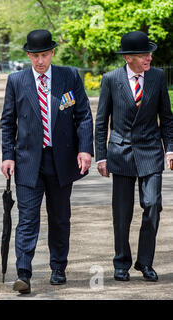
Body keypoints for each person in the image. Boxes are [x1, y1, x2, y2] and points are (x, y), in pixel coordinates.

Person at [0, 29, 93, 294]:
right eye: (35, 55)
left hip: (61, 159)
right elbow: (8, 122)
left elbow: (84, 115)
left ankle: (58, 267)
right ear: (28, 55)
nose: (40, 61)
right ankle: (24, 273)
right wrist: (7, 155)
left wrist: (85, 149)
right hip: (29, 160)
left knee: (60, 217)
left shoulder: (69, 76)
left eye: (44, 55)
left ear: (52, 53)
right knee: (27, 218)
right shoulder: (17, 80)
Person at [95, 31, 173, 282]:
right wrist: (101, 156)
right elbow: (101, 121)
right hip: (121, 152)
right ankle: (121, 262)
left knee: (152, 206)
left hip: (151, 151)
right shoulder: (110, 79)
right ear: (128, 58)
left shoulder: (157, 77)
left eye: (149, 54)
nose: (149, 58)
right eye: (143, 55)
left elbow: (167, 118)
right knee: (122, 212)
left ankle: (145, 262)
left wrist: (170, 148)